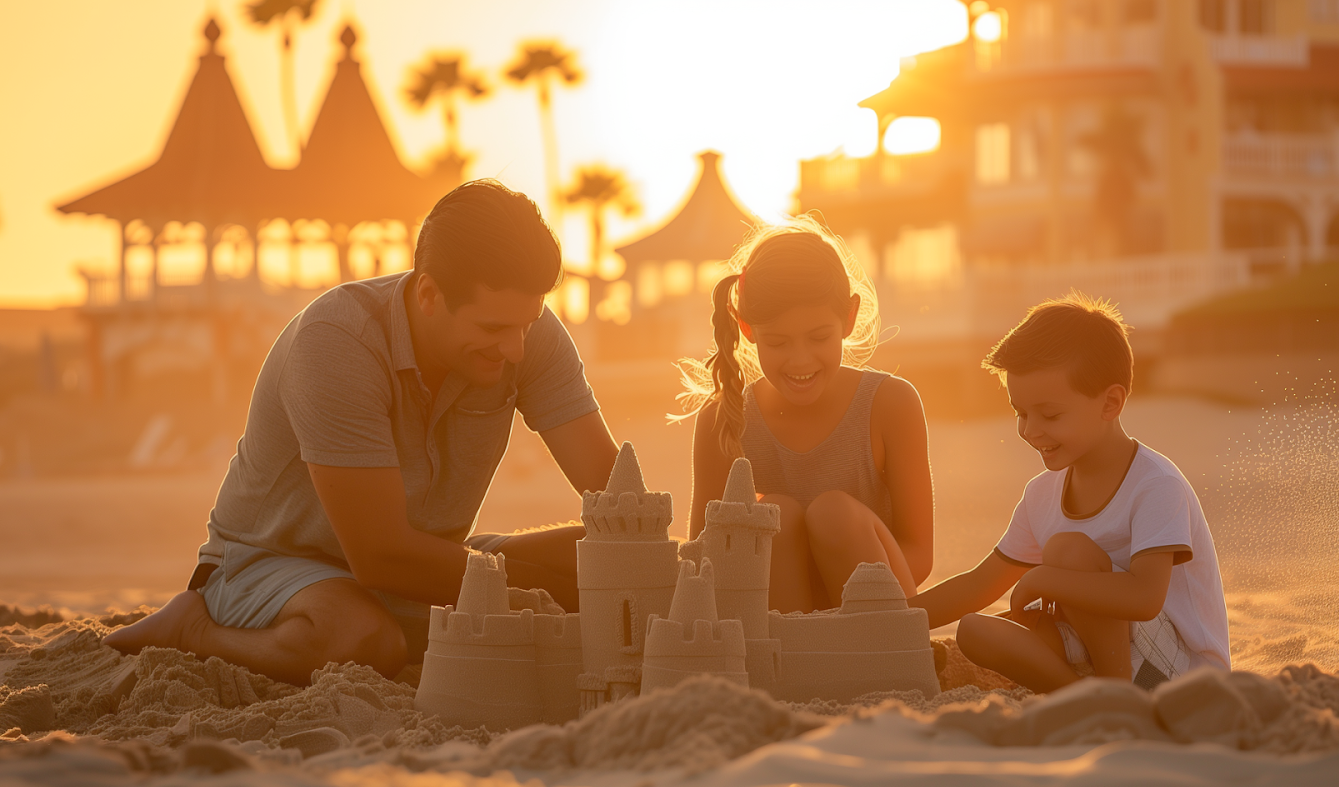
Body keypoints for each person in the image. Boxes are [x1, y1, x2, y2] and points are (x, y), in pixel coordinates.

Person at [104, 180, 620, 685]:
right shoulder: (337, 343)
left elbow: (613, 495)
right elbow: (378, 557)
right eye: (492, 330)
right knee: (361, 640)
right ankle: (194, 630)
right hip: (277, 565)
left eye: (527, 323)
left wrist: (648, 556)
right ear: (429, 294)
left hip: (423, 562)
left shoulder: (525, 333)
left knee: (611, 556)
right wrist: (539, 594)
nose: (516, 350)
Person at [913, 295, 1228, 693]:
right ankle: (1086, 698)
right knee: (975, 631)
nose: (1029, 430)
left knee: (1068, 552)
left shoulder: (1155, 484)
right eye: (1020, 412)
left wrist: (1047, 578)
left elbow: (1145, 597)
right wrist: (889, 617)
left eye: (1050, 415)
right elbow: (979, 585)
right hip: (1097, 652)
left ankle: (1116, 693)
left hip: (1179, 673)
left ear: (1110, 403)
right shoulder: (1041, 496)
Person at [677, 220, 933, 612]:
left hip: (875, 616)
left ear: (849, 317)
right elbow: (704, 558)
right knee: (773, 514)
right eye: (778, 342)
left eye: (819, 337)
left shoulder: (891, 404)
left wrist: (832, 597)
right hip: (778, 624)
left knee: (834, 514)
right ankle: (796, 659)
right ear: (747, 328)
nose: (800, 360)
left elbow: (918, 553)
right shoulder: (721, 421)